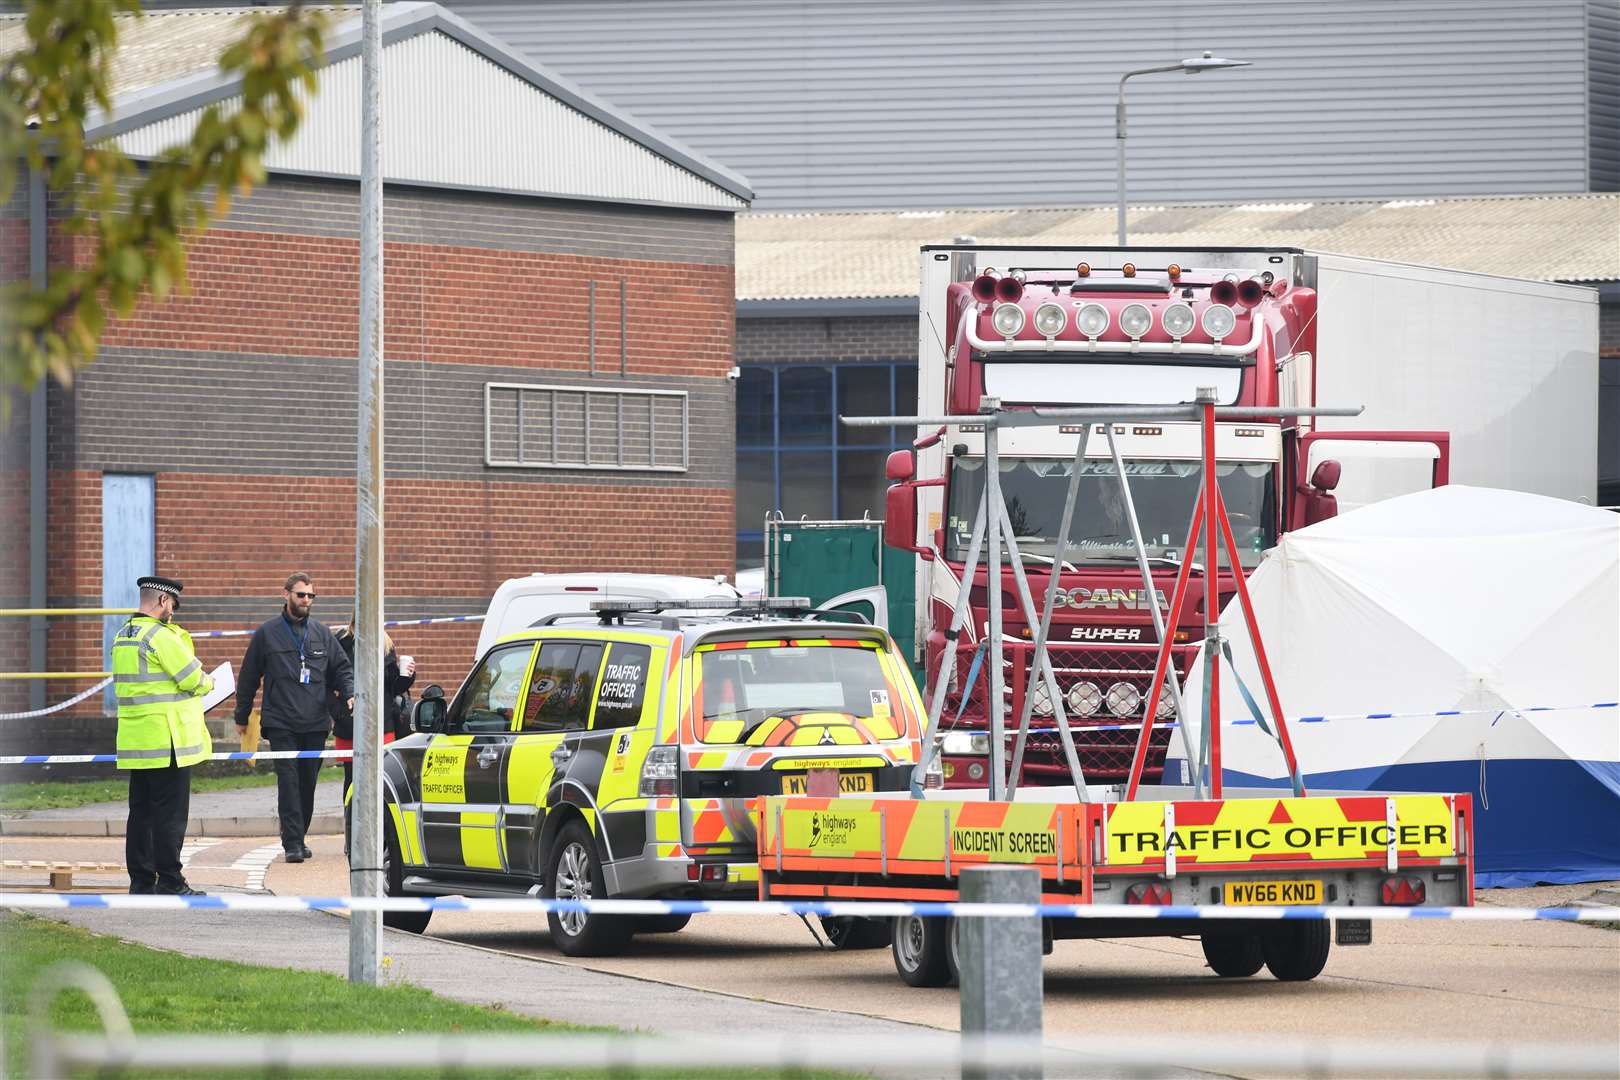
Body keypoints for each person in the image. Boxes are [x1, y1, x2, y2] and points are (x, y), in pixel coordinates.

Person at [234, 572, 353, 863]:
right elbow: (249, 676)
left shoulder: (322, 634)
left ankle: (300, 834)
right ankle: (292, 843)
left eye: (311, 596)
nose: (306, 600)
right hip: (280, 722)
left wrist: (349, 692)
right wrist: (242, 714)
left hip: (314, 722)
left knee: (307, 781)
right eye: (301, 595)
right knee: (288, 781)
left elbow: (342, 668)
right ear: (286, 594)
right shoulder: (267, 633)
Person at [114, 575, 214, 896]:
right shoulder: (160, 636)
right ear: (162, 601)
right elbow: (192, 679)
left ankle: (141, 881)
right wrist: (210, 682)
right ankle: (170, 880)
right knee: (170, 817)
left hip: (136, 740)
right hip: (167, 740)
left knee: (140, 814)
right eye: (172, 604)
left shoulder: (122, 635)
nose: (173, 611)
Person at [329, 621, 416, 854]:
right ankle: (352, 836)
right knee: (352, 781)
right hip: (350, 724)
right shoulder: (342, 641)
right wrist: (338, 712)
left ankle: (379, 834)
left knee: (381, 779)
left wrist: (407, 677)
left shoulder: (386, 643)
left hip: (382, 722)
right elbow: (329, 682)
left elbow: (392, 687)